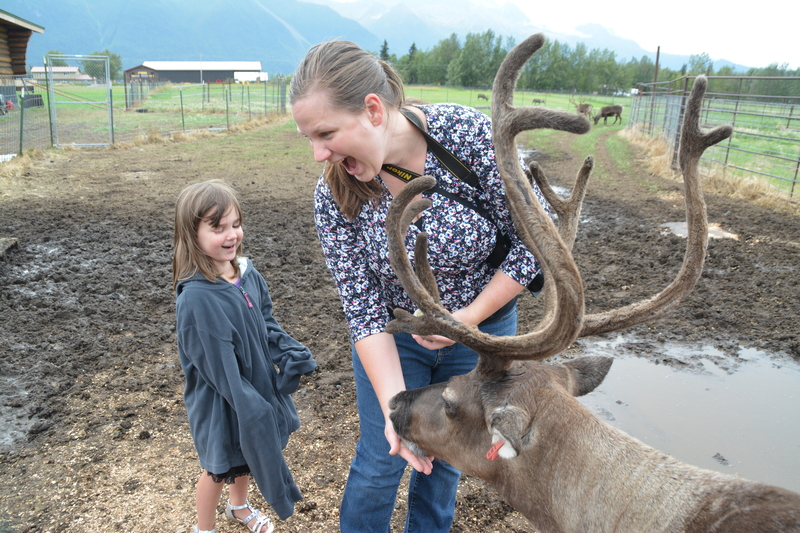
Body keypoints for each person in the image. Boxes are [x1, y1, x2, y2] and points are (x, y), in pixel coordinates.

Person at [290, 40, 548, 532]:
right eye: (310, 137)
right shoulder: (334, 194)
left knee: (447, 459)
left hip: (480, 333)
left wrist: (467, 320)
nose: (317, 152)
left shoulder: (470, 136)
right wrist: (394, 410)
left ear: (371, 110)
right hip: (394, 339)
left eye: (325, 133)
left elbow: (533, 241)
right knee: (383, 457)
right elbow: (363, 308)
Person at [172, 179, 317, 533]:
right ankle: (203, 528)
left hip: (254, 386)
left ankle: (239, 508)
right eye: (217, 228)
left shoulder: (248, 275)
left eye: (235, 224)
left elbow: (265, 322)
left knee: (245, 459)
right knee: (219, 468)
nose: (231, 235)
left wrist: (289, 349)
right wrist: (248, 403)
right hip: (223, 399)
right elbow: (214, 364)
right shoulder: (196, 298)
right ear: (192, 234)